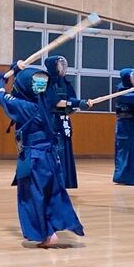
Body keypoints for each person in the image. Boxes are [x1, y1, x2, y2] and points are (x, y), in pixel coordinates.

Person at [0, 67, 84, 247]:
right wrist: (15, 69)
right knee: (51, 193)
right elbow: (21, 88)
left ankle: (46, 234)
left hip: (34, 157)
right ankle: (52, 228)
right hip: (50, 157)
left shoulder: (25, 107)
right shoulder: (45, 100)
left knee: (32, 196)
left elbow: (1, 96)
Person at [43, 56, 90, 189]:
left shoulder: (64, 82)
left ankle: (64, 181)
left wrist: (80, 103)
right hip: (52, 120)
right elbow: (55, 102)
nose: (63, 67)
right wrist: (77, 103)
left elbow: (70, 98)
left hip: (64, 120)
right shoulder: (46, 82)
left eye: (64, 65)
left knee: (65, 148)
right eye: (60, 65)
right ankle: (55, 181)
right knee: (57, 149)